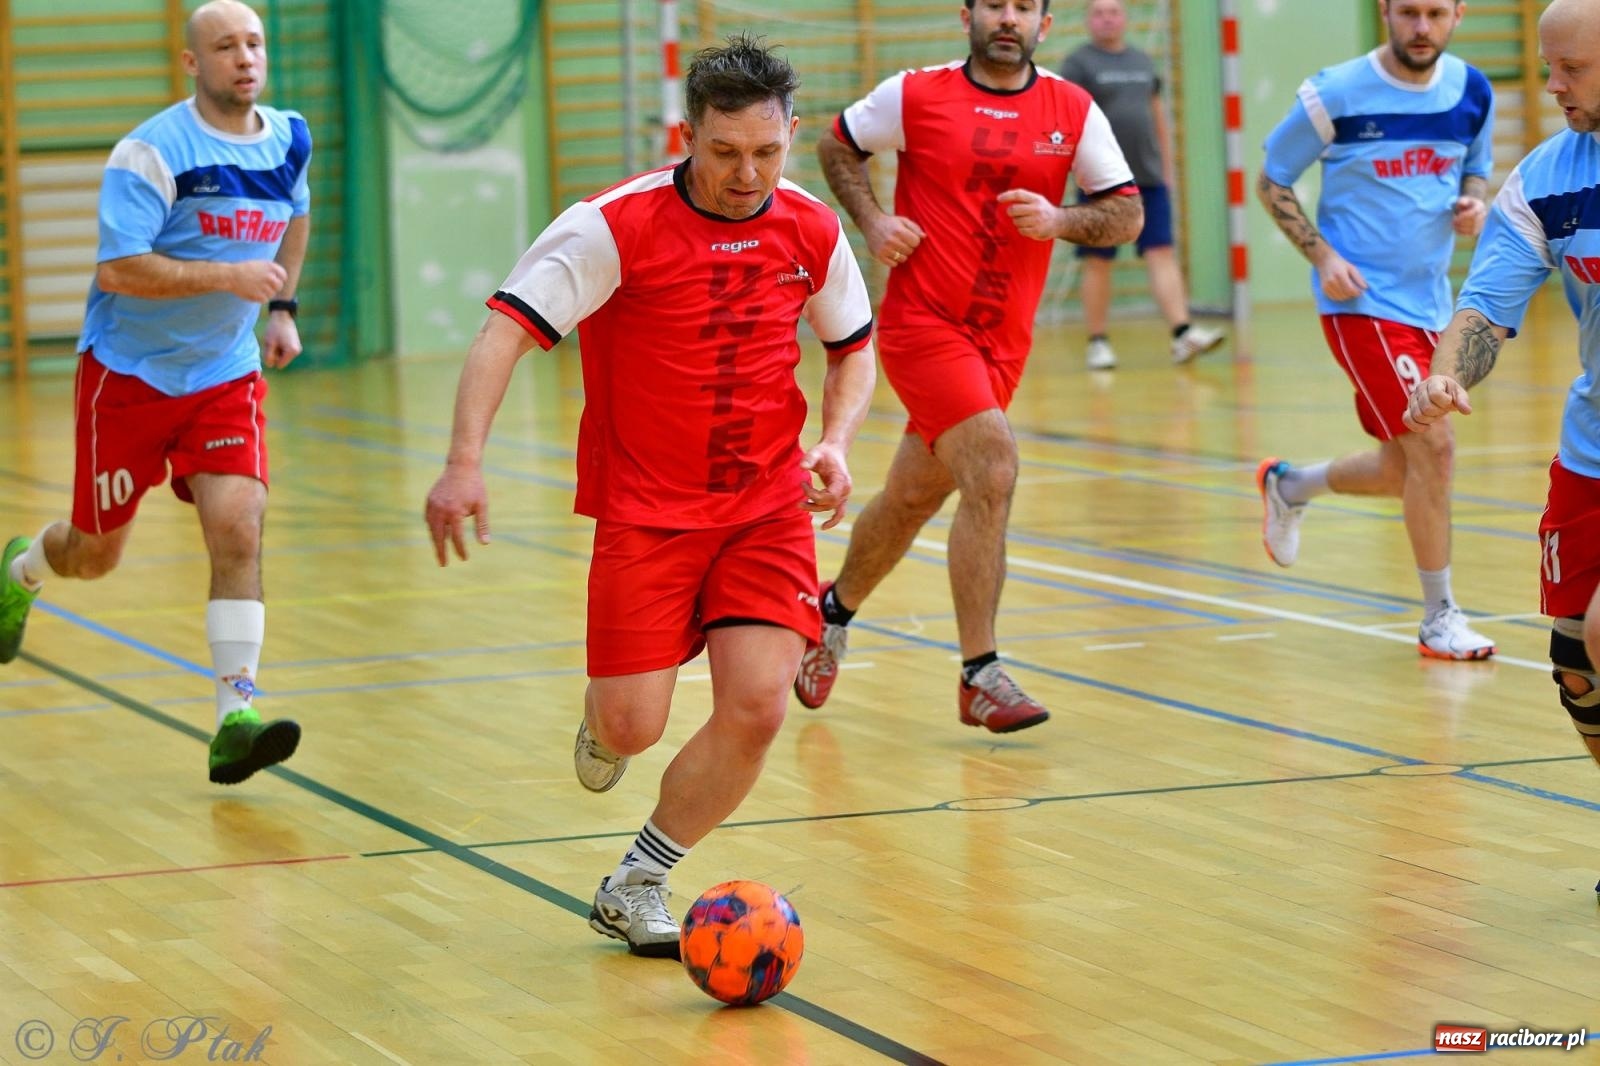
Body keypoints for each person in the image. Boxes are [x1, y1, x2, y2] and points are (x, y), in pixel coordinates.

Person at [423, 35, 876, 957]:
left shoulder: (810, 227)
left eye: (766, 151)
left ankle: (638, 880)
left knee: (758, 704)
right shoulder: (610, 225)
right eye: (723, 152)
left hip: (765, 508)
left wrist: (833, 441)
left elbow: (853, 346)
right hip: (646, 513)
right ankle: (603, 721)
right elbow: (503, 334)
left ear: (790, 133)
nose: (746, 173)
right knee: (632, 724)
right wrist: (465, 462)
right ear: (687, 134)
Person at [794, 0, 1142, 731]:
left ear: (1044, 23)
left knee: (911, 499)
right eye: (994, 5)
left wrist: (1060, 220)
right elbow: (837, 146)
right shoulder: (915, 93)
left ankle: (829, 611)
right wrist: (874, 220)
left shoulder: (1071, 109)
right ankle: (980, 674)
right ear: (968, 17)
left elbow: (1126, 213)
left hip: (1002, 346)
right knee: (993, 467)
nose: (1007, 18)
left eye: (1023, 7)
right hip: (925, 327)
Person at [0, 0, 308, 783]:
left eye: (254, 43)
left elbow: (294, 217)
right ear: (190, 63)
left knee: (239, 526)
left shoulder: (288, 138)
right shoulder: (150, 153)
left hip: (223, 374)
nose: (245, 58)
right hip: (128, 376)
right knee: (94, 556)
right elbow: (119, 269)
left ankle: (234, 716)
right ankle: (23, 569)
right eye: (225, 46)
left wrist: (279, 307)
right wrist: (230, 276)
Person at [1404, 0, 1600, 887]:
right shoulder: (1550, 178)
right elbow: (1484, 308)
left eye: (1572, 70)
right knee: (1575, 663)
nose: (1551, 85)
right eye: (1546, 65)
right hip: (1589, 456)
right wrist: (1449, 375)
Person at [1254, 0, 1497, 661]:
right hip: (1361, 304)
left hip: (1432, 305)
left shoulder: (1473, 89)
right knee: (1435, 448)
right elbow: (1272, 181)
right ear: (1385, 10)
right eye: (1409, 12)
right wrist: (1324, 257)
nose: (1422, 28)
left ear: (1458, 14)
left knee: (1403, 468)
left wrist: (1474, 198)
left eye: (1436, 14)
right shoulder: (1334, 92)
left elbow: (1476, 160)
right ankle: (1439, 616)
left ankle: (1289, 484)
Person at [1058, 0, 1225, 370]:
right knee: (1098, 261)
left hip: (1148, 180)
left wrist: (1165, 168)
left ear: (1124, 18)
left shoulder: (1142, 61)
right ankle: (1097, 342)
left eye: (1114, 12)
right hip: (1100, 183)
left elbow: (1156, 116)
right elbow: (1068, 120)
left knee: (1161, 253)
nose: (1107, 19)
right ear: (1089, 20)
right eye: (1099, 13)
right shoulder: (1078, 64)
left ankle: (1182, 334)